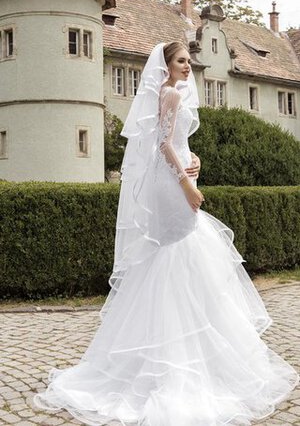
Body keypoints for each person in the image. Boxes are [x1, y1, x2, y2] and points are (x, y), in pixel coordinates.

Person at [34, 42, 299, 426]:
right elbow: (161, 144)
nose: (187, 67)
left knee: (175, 251)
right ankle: (180, 356)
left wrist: (195, 160)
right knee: (180, 248)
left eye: (189, 62)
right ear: (166, 65)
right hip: (170, 184)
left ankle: (175, 349)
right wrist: (186, 184)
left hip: (170, 179)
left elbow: (174, 143)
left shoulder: (167, 93)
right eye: (181, 61)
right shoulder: (171, 92)